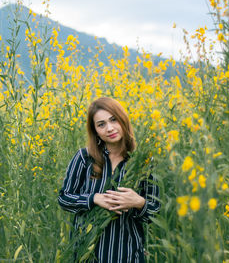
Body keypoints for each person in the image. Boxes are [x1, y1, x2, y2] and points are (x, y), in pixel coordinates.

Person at [58, 97, 160, 263]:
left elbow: (154, 212)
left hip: (127, 255)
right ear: (95, 131)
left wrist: (139, 202)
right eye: (101, 124)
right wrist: (94, 199)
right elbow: (64, 199)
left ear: (123, 120)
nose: (109, 128)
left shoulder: (143, 161)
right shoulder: (84, 158)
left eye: (113, 120)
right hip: (87, 255)